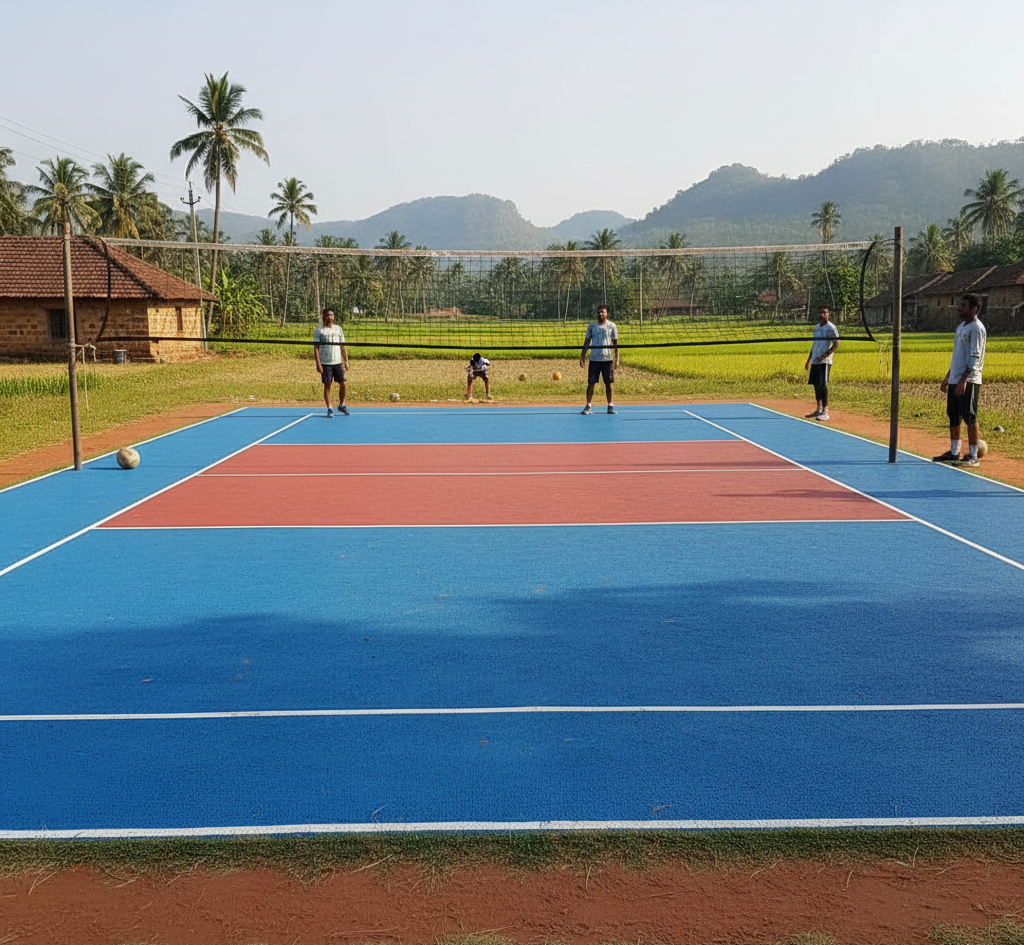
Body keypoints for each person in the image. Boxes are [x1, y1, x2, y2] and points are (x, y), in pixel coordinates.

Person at [933, 294, 987, 467]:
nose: (959, 308)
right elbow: (957, 356)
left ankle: (973, 456)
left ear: (974, 308)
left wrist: (964, 379)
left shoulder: (976, 328)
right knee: (953, 414)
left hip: (969, 379)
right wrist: (949, 377)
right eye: (959, 305)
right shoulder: (961, 327)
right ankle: (954, 452)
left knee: (969, 415)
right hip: (956, 378)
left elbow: (974, 356)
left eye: (963, 306)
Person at [579, 304, 619, 414]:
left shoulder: (612, 326)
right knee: (591, 383)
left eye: (602, 312)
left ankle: (610, 406)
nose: (600, 314)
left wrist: (617, 359)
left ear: (607, 314)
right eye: (598, 312)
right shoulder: (592, 326)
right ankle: (588, 406)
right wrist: (582, 357)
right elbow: (586, 342)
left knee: (608, 383)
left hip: (607, 359)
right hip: (594, 359)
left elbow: (615, 344)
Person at [804, 305, 840, 421]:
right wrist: (809, 360)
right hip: (815, 361)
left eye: (824, 312)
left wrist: (825, 355)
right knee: (816, 385)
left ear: (828, 314)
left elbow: (837, 343)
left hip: (825, 362)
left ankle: (825, 411)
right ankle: (818, 409)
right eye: (820, 313)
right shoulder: (817, 327)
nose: (822, 315)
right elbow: (814, 345)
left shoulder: (831, 328)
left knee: (823, 384)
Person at [313, 307, 350, 417]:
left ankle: (342, 405)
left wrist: (346, 361)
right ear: (323, 316)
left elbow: (343, 346)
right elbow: (316, 348)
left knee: (343, 383)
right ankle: (329, 408)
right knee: (327, 385)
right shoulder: (319, 330)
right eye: (328, 315)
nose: (330, 317)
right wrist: (318, 363)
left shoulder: (338, 329)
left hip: (337, 362)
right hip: (325, 362)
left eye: (332, 315)